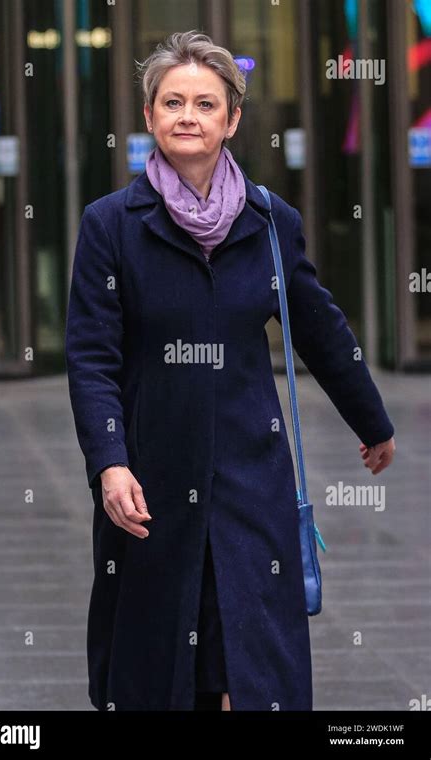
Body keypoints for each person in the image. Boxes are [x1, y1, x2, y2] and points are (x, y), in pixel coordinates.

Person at [65, 30, 396, 712]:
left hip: (252, 475)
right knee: (160, 664)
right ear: (150, 116)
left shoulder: (271, 221)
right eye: (173, 102)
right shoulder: (110, 226)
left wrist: (372, 421)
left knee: (248, 662)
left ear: (232, 119)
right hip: (152, 475)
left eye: (206, 104)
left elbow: (321, 326)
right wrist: (109, 463)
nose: (189, 116)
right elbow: (92, 354)